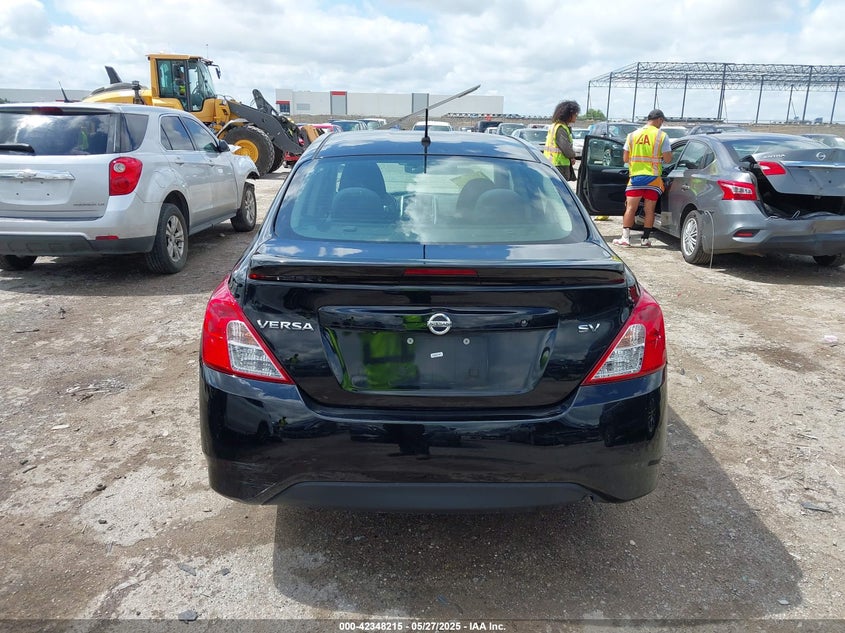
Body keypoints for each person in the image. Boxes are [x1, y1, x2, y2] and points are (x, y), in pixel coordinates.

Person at [612, 109, 673, 247]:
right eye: (662, 122)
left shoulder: (632, 135)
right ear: (659, 120)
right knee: (649, 210)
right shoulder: (662, 135)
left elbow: (625, 158)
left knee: (630, 208)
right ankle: (645, 240)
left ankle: (625, 239)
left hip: (636, 178)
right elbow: (668, 159)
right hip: (653, 179)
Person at [543, 100, 580, 181]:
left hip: (552, 163)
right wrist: (572, 155)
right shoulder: (560, 128)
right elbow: (566, 148)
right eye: (575, 114)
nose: (576, 116)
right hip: (559, 165)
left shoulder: (555, 126)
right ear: (568, 114)